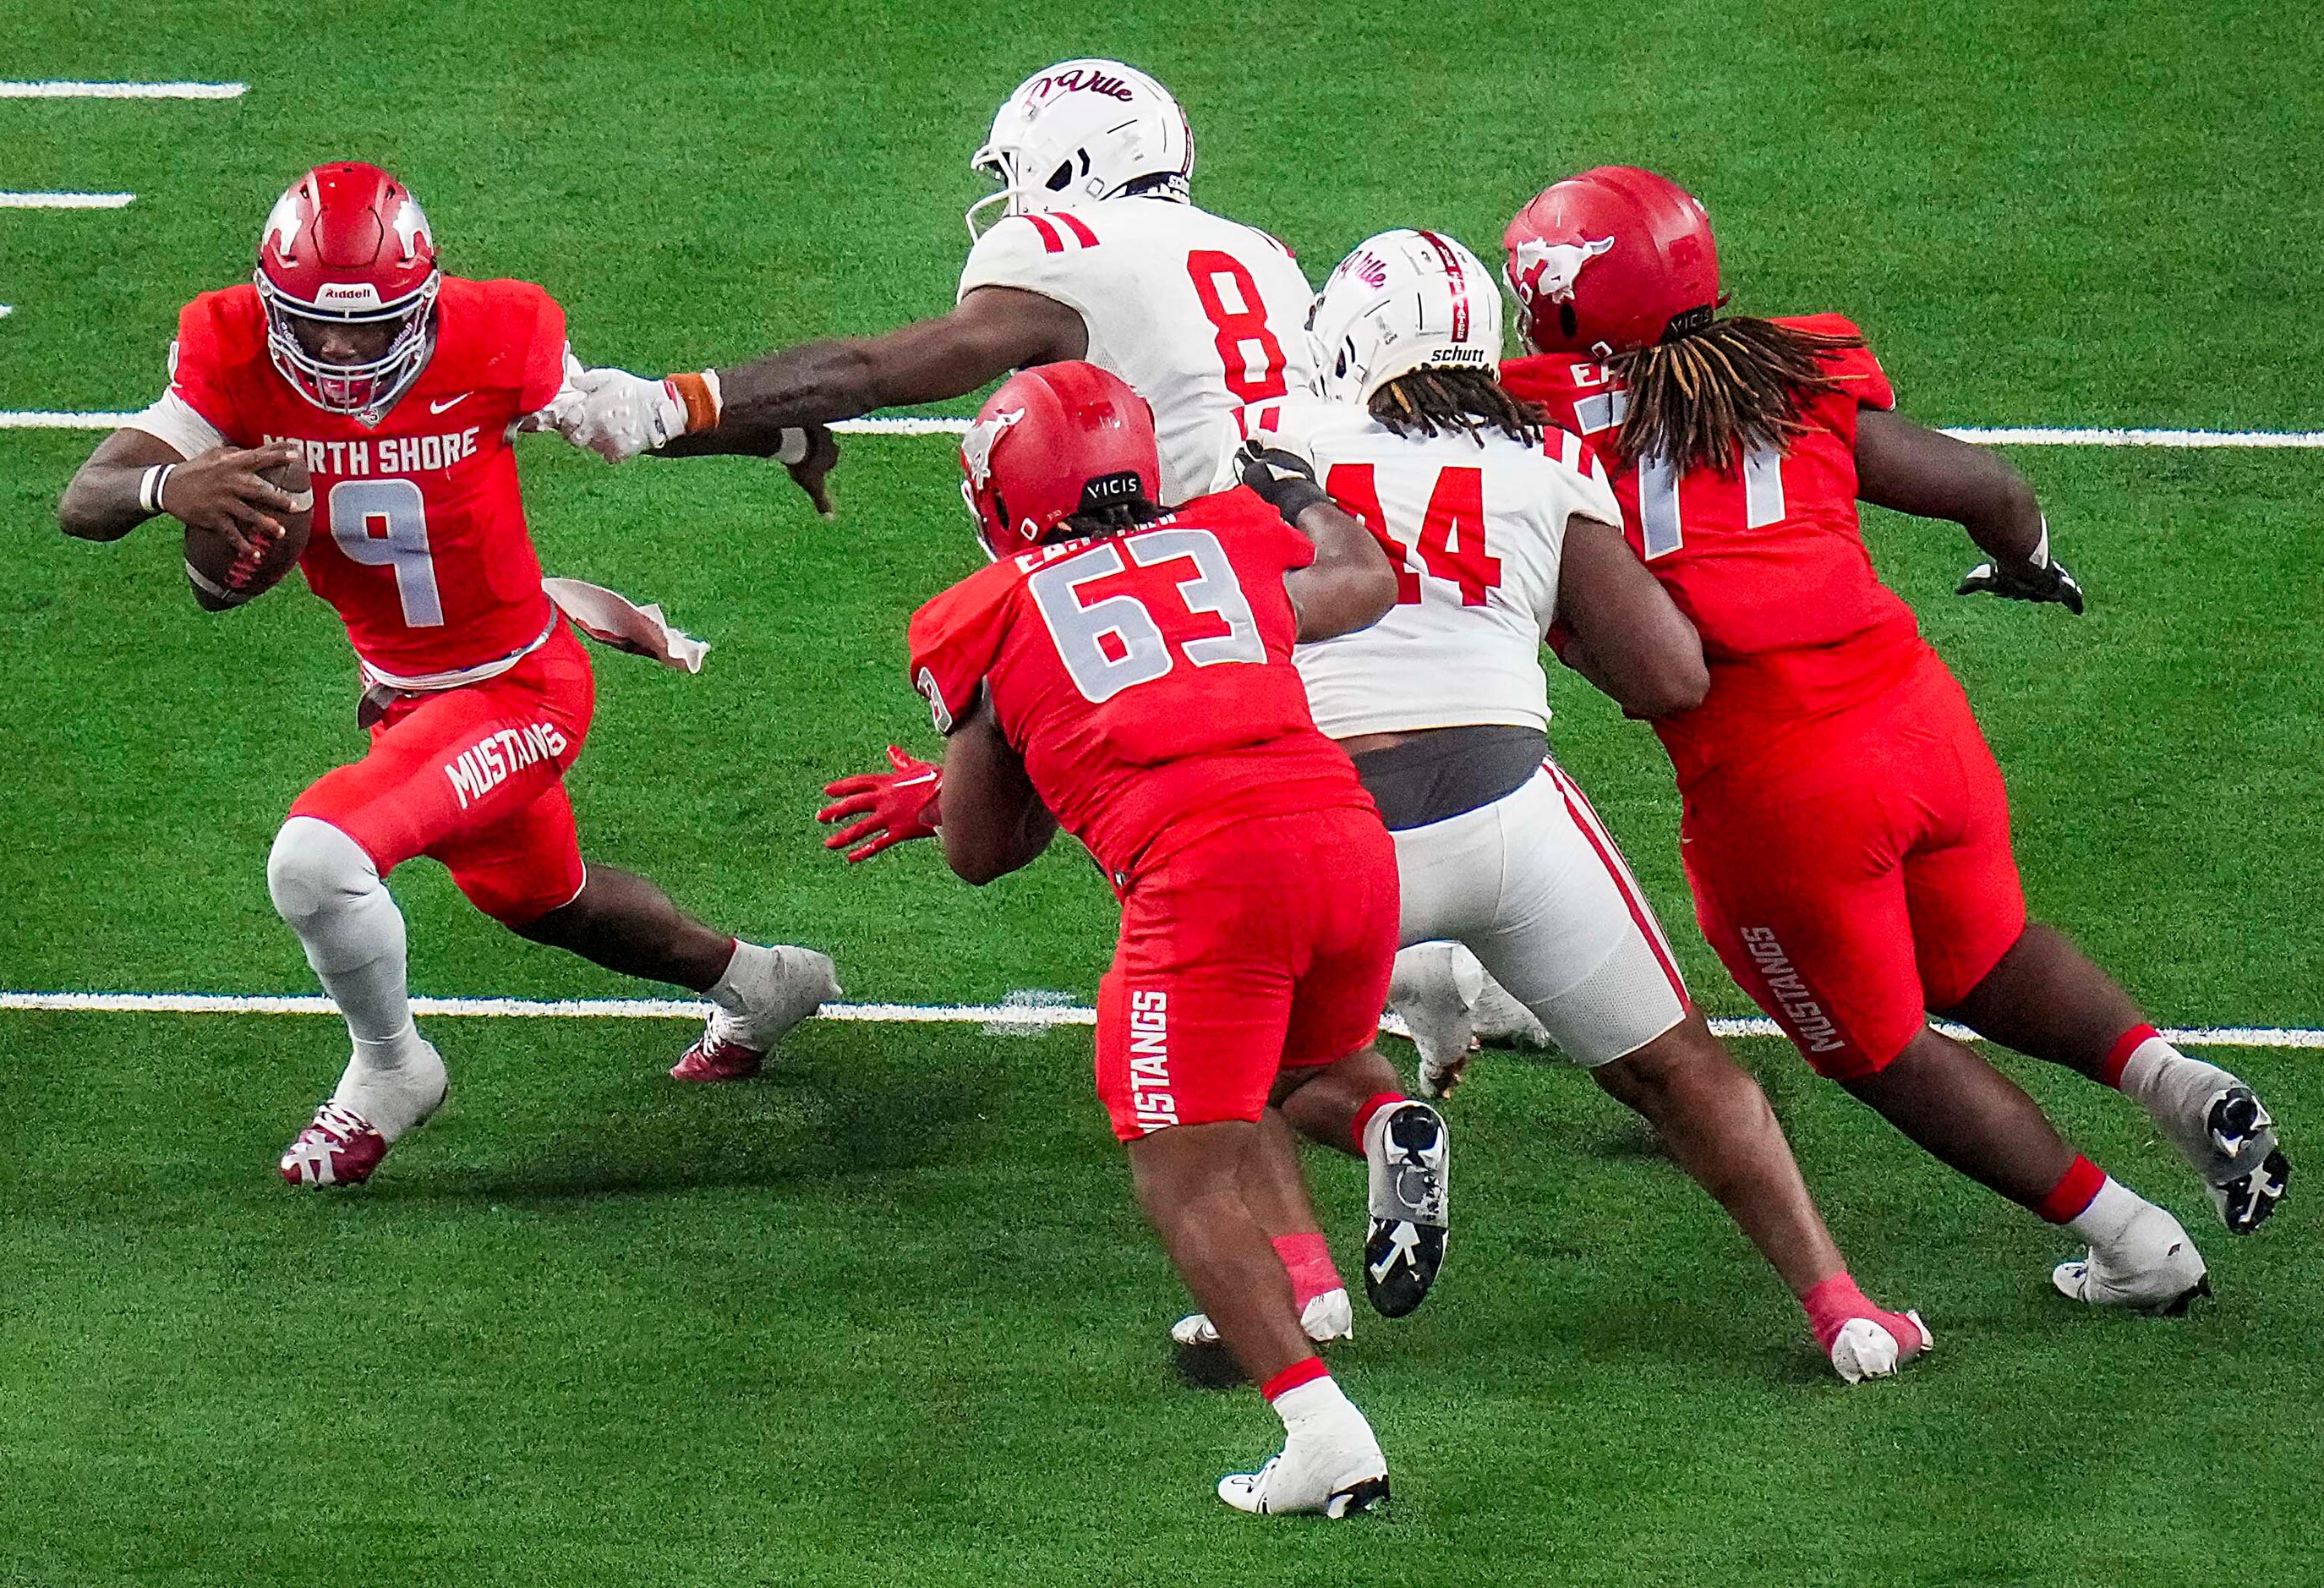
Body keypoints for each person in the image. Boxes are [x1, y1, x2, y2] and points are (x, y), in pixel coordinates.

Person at [1494, 165, 2288, 1311]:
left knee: (1872, 1047)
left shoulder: (1548, 424)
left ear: (1569, 304)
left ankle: (2130, 1239)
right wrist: (2024, 563)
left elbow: (1649, 653)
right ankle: (2167, 1077)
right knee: (1986, 950)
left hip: (1776, 780)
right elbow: (1993, 489)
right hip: (1915, 714)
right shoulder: (1785, 372)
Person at [1172, 228, 1929, 1381]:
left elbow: (1207, 629)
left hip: (1332, 816)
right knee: (1676, 1069)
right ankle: (1844, 1307)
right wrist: (1533, 611)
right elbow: (1667, 674)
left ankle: (1304, 1282)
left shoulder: (1276, 441)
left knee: (1216, 1053)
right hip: (1509, 810)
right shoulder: (1547, 462)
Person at [56, 162, 839, 1186]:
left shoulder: (495, 335)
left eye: (372, 324)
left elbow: (622, 414)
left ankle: (391, 1071)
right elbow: (86, 498)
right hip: (406, 697)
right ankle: (763, 982)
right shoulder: (228, 348)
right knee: (547, 902)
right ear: (268, 301)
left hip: (520, 688)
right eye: (313, 321)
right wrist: (172, 484)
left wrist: (776, 434)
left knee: (315, 861)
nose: (340, 347)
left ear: (423, 301)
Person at [843, 357, 1439, 1515]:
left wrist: (958, 776)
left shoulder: (986, 610)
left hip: (1207, 878)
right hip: (1346, 844)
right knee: (1282, 1066)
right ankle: (1380, 1116)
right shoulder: (1222, 537)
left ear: (1003, 489)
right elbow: (1361, 580)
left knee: (1184, 1172)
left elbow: (981, 849)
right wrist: (1302, 494)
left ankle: (1323, 1432)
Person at [555, 57, 1317, 514]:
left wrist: (670, 403)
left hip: (1196, 560)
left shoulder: (1067, 246)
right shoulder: (1267, 254)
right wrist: (770, 429)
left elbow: (875, 372)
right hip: (1320, 537)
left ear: (1074, 161)